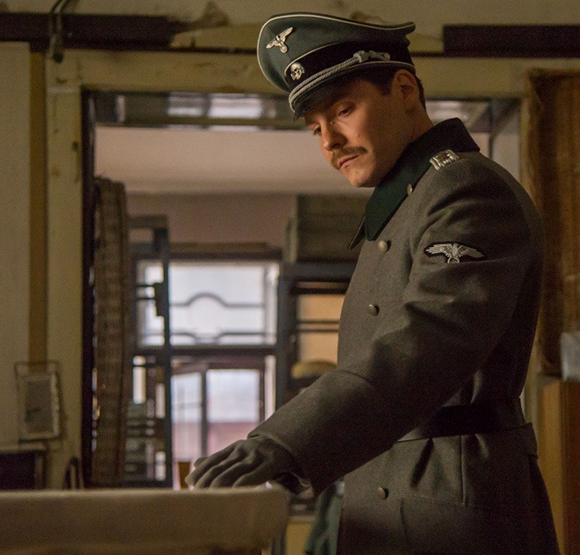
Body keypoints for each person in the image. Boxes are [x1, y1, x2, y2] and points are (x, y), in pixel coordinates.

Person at [188, 12, 559, 554]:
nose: (330, 142)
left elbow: (428, 340)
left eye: (343, 110)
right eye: (315, 128)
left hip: (447, 505)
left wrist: (285, 440)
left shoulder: (465, 189)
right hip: (398, 499)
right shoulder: (407, 202)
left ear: (404, 90)